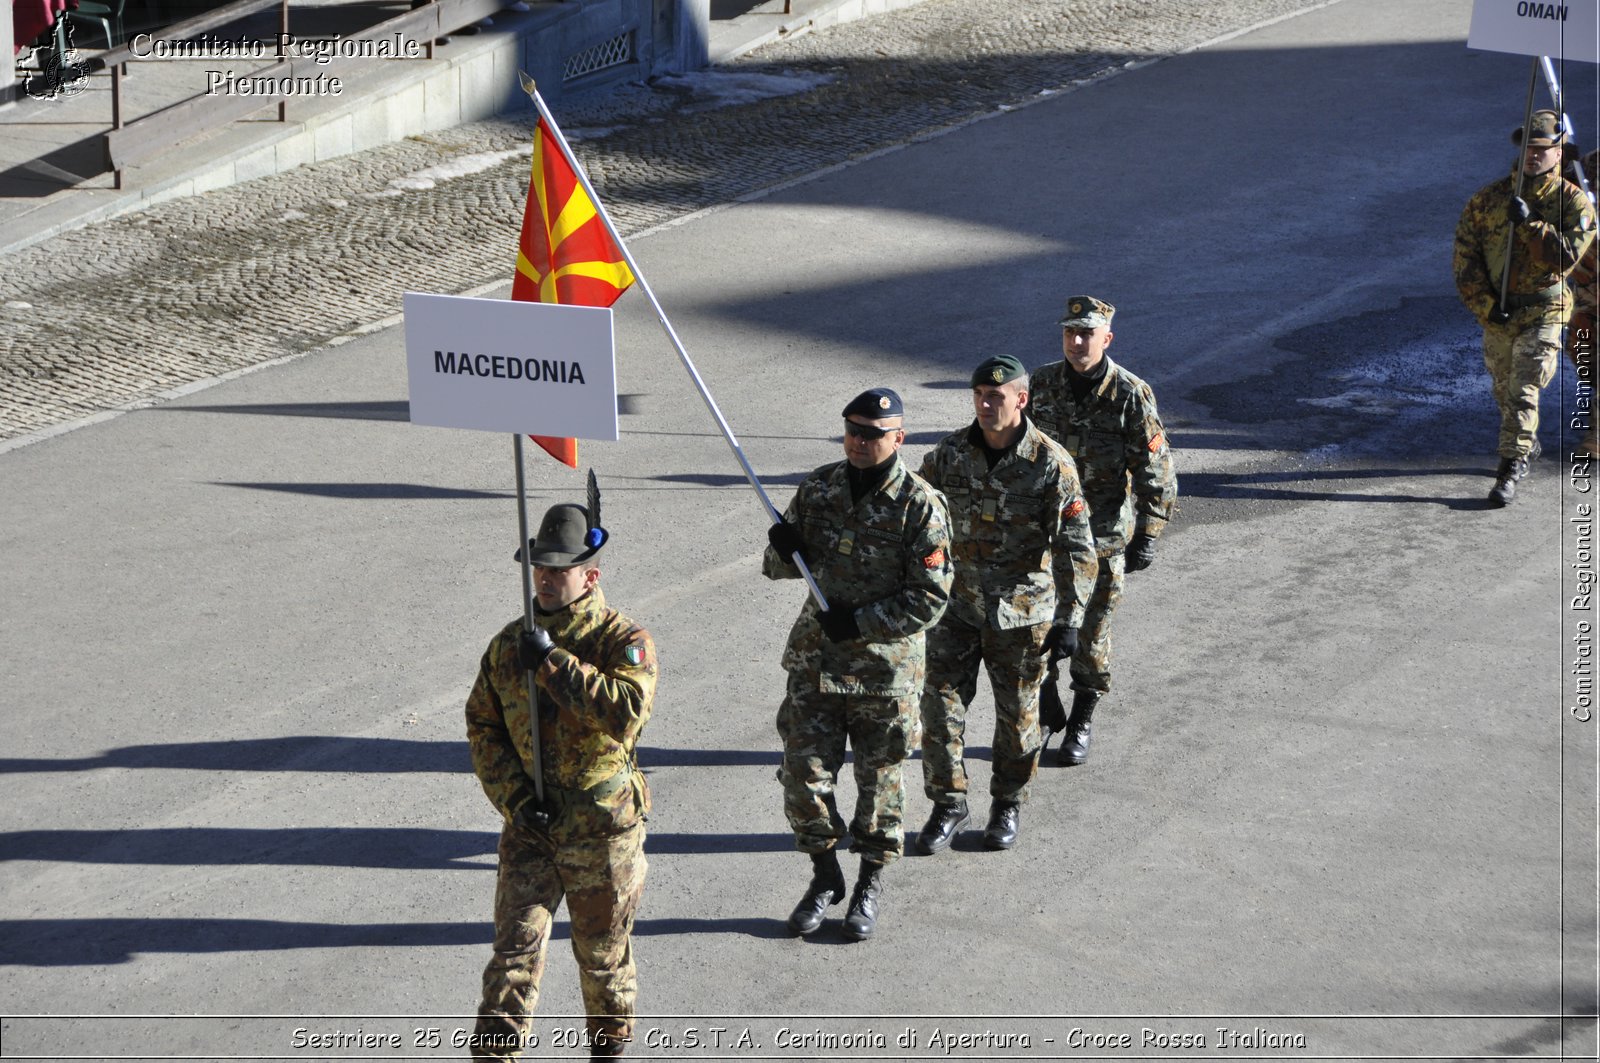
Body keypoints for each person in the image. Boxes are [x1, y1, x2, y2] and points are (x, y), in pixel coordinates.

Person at [465, 500, 657, 1059]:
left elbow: (625, 712)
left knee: (602, 958)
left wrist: (552, 663)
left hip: (601, 832)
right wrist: (515, 801)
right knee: (512, 956)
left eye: (559, 569)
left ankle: (608, 1051)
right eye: (539, 568)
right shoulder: (507, 645)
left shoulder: (624, 641)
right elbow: (483, 726)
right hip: (532, 828)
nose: (545, 579)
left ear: (590, 575)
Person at [763, 387, 953, 941]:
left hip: (882, 672)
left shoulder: (921, 505)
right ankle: (826, 876)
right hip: (816, 661)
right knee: (802, 776)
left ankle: (869, 880)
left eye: (872, 433)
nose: (859, 442)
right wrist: (783, 546)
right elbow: (778, 568)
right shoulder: (820, 486)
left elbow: (931, 597)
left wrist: (863, 622)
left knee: (880, 782)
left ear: (899, 438)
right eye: (851, 430)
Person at [913, 354, 1098, 854]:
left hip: (1022, 616)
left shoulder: (1050, 464)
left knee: (1018, 718)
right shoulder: (949, 454)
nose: (985, 404)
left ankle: (1008, 803)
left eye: (995, 396)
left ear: (1021, 399)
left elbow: (1077, 547)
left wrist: (1070, 620)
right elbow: (914, 510)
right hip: (956, 608)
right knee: (938, 710)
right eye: (978, 396)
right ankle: (948, 803)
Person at [1029, 296, 1177, 766]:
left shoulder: (1130, 394)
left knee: (1090, 639)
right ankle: (1046, 698)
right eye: (1070, 333)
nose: (1076, 342)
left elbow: (1155, 466)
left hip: (1102, 538)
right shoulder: (1042, 384)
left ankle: (1081, 719)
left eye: (1086, 334)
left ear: (1106, 339)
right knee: (1033, 629)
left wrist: (1150, 531)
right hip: (1045, 535)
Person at [1454, 109, 1596, 504]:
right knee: (1503, 389)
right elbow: (1465, 259)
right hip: (1500, 313)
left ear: (1560, 152)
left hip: (1545, 312)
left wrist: (1533, 223)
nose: (1534, 155)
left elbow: (1565, 260)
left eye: (1543, 149)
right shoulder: (1489, 199)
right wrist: (1485, 306)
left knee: (1524, 389)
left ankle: (1510, 467)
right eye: (1528, 148)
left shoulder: (1575, 204)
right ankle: (1524, 442)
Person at [1568, 147, 1600, 458]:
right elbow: (1554, 199)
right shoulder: (1590, 165)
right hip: (1589, 288)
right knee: (1581, 352)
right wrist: (1563, 165)